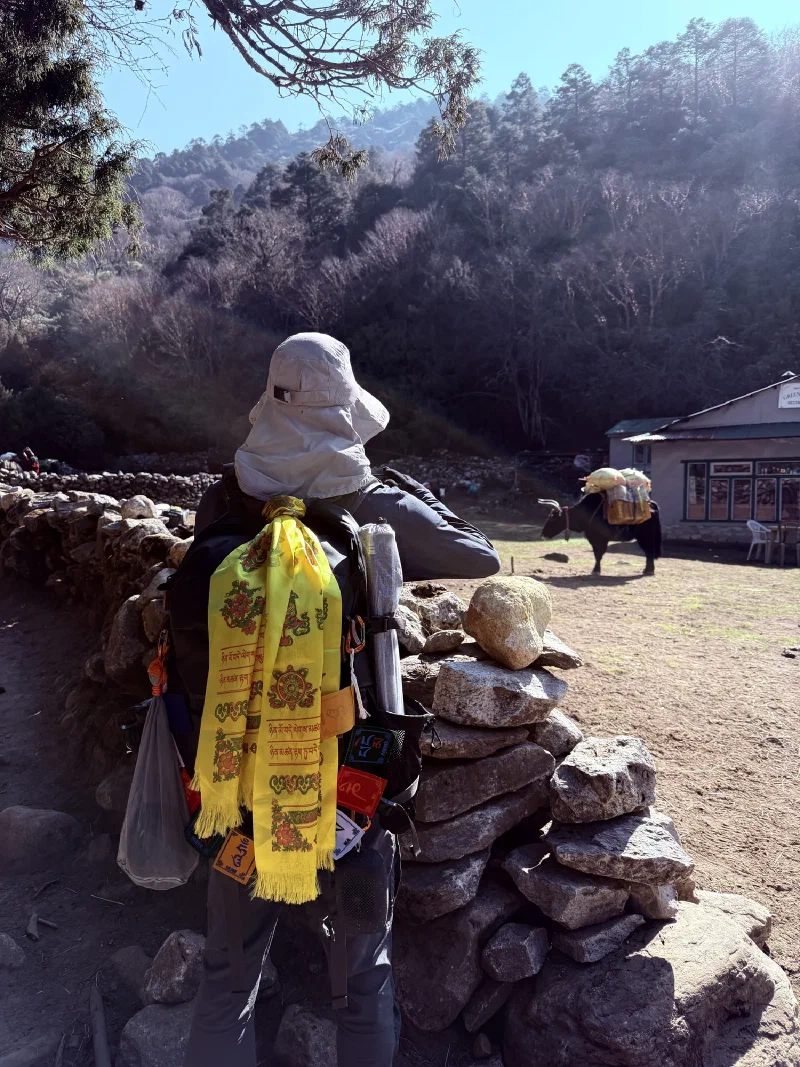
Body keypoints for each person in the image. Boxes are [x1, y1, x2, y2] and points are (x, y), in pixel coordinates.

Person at [170, 333, 500, 1067]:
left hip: (234, 788)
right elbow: (483, 553)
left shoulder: (223, 499)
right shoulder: (368, 500)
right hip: (351, 791)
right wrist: (404, 485)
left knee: (227, 980)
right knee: (363, 975)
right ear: (345, 412)